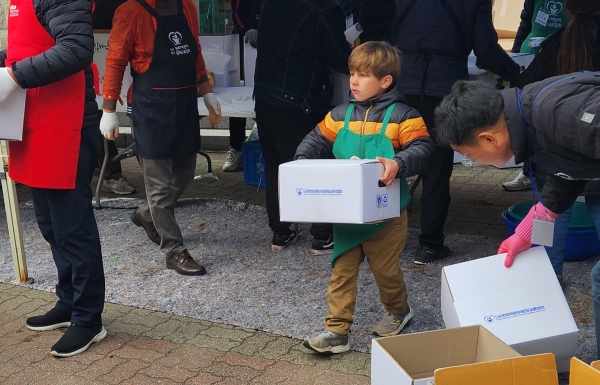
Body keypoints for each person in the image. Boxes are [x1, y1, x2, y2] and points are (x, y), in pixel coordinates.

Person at [432, 73, 600, 363]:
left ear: (489, 138)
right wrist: (526, 233)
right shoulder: (532, 124)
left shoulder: (560, 111)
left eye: (469, 155)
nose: (472, 163)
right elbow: (567, 171)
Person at [297, 41, 434, 353]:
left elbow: (424, 148)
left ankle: (399, 311)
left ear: (385, 81)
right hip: (346, 214)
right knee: (341, 270)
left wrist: (398, 163)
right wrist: (303, 159)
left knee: (385, 271)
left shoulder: (404, 115)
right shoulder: (340, 114)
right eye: (351, 74)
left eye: (362, 75)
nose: (353, 81)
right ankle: (337, 332)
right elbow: (316, 138)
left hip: (386, 215)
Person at [2, 0, 106, 357]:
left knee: (73, 227)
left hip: (66, 122)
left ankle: (89, 318)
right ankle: (69, 303)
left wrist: (14, 75)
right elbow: (31, 48)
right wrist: (5, 61)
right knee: (51, 224)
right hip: (34, 120)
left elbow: (76, 48)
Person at [393, 0, 521, 265]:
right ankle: (429, 245)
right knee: (436, 172)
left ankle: (379, 240)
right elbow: (485, 49)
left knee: (388, 165)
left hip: (400, 90)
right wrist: (515, 73)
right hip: (443, 91)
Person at [100, 0, 221, 275]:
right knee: (160, 188)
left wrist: (207, 91)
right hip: (151, 108)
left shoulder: (187, 8)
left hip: (184, 106)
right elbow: (116, 60)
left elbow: (195, 53)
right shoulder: (130, 12)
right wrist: (109, 109)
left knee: (185, 173)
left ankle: (145, 214)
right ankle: (173, 250)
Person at [510, 0, 600, 283]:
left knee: (555, 211)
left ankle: (550, 277)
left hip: (555, 151)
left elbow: (525, 84)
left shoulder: (555, 43)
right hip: (591, 155)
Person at [253, 0, 351, 255]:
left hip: (264, 97)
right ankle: (322, 235)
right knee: (316, 166)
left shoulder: (271, 5)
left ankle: (281, 231)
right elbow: (341, 58)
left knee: (276, 165)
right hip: (300, 102)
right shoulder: (325, 9)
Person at [502, 0, 571, 192]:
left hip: (566, 54)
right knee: (529, 117)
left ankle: (560, 175)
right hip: (532, 56)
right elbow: (526, 22)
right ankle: (528, 172)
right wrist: (515, 53)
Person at [223, 0, 262, 172]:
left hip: (271, 43)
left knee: (266, 95)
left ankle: (264, 146)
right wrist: (247, 29)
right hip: (243, 43)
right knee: (238, 97)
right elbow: (236, 11)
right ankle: (236, 148)